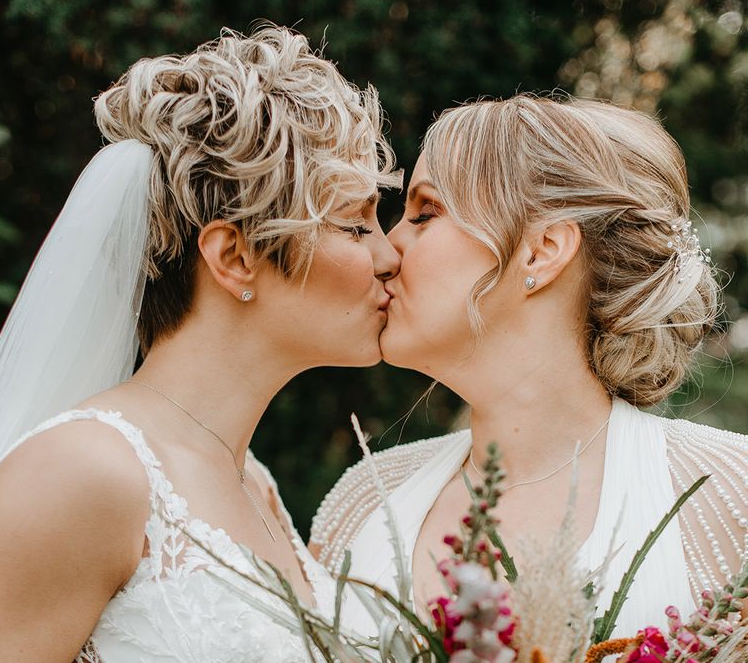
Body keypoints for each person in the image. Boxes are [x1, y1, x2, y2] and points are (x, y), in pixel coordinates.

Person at [0, 25, 401, 662]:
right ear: (234, 257)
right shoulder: (80, 473)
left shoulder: (254, 484)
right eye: (354, 224)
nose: (390, 254)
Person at [311, 95, 748, 637]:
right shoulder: (362, 504)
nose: (387, 249)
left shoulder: (731, 497)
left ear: (541, 251)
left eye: (424, 214)